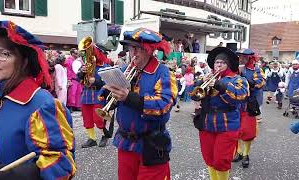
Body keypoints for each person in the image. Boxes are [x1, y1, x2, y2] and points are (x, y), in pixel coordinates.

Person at [0, 21, 75, 179]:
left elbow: (62, 164)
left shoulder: (41, 104)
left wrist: (18, 176)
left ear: (24, 62)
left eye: (4, 53)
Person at [103, 28, 177, 180]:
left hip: (151, 144)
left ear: (149, 50)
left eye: (138, 49)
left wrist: (129, 98)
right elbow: (108, 98)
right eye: (131, 48)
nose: (133, 53)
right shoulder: (124, 70)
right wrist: (107, 92)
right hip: (125, 143)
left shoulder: (163, 72)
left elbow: (164, 105)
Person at [190, 47, 249, 180]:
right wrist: (200, 82)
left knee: (221, 160)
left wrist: (219, 85)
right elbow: (194, 96)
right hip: (207, 124)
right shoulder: (207, 77)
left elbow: (241, 96)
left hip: (227, 125)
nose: (219, 64)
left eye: (223, 62)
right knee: (209, 158)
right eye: (217, 62)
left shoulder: (237, 79)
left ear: (228, 65)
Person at [233, 48, 265, 168]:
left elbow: (260, 83)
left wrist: (244, 77)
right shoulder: (234, 68)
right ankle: (239, 152)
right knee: (235, 130)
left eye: (244, 56)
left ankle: (246, 154)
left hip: (249, 105)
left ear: (250, 58)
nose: (241, 58)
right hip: (235, 105)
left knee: (247, 132)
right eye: (240, 56)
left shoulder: (257, 69)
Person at [77, 36, 110, 148]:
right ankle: (92, 138)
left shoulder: (104, 66)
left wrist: (95, 81)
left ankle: (104, 135)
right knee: (87, 117)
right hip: (86, 94)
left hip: (98, 94)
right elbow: (78, 78)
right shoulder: (85, 65)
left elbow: (107, 81)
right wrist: (82, 72)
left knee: (98, 118)